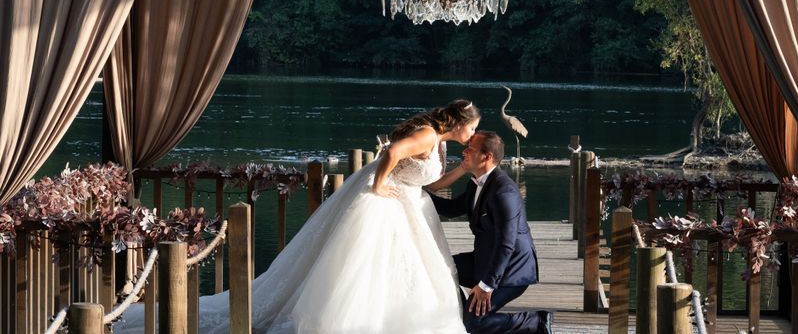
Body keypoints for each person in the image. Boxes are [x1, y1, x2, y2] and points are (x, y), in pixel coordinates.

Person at [115, 99, 480, 334]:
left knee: (402, 268)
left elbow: (428, 178)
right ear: (461, 122)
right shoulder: (428, 134)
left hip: (409, 205)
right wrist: (381, 184)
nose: (474, 134)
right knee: (366, 262)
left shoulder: (441, 141)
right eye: (473, 127)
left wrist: (462, 171)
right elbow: (393, 153)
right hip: (385, 201)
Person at [428, 131, 553, 334]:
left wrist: (486, 286)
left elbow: (507, 244)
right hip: (485, 260)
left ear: (487, 157)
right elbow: (451, 209)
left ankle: (536, 321)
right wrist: (416, 192)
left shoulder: (504, 192)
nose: (464, 151)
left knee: (474, 324)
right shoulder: (475, 183)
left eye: (470, 149)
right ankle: (463, 312)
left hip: (511, 270)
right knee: (440, 270)